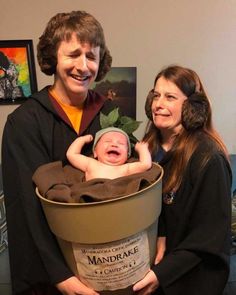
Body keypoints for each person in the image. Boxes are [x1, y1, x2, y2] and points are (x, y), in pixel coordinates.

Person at [1, 10, 119, 295]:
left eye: (91, 56)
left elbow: (121, 188)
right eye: (73, 54)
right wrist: (60, 276)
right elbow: (25, 207)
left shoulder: (108, 115)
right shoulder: (24, 122)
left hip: (103, 267)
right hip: (49, 276)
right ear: (53, 57)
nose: (83, 66)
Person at [133, 65, 232, 295]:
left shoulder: (209, 157)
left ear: (192, 107)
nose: (158, 104)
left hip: (189, 281)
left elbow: (209, 236)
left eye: (170, 97)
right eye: (156, 95)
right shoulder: (147, 149)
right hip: (153, 273)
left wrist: (161, 274)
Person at [66, 127, 152, 181]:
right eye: (108, 141)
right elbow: (71, 154)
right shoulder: (91, 164)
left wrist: (142, 149)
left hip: (114, 202)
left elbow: (145, 164)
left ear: (127, 156)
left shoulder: (126, 168)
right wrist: (81, 140)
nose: (114, 144)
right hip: (92, 199)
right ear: (95, 152)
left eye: (121, 143)